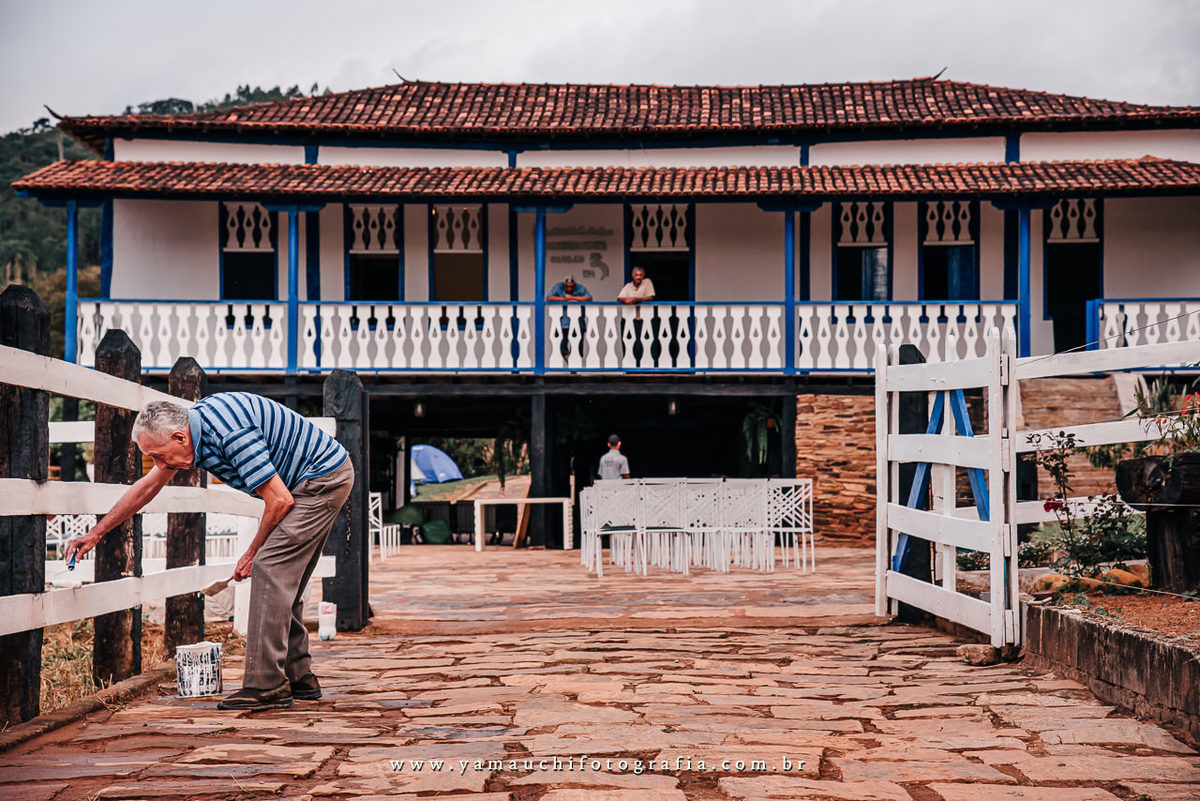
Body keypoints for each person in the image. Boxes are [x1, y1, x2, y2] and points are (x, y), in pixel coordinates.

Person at [65, 393, 354, 711]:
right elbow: (147, 487)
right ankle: (297, 676)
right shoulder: (192, 433)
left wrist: (250, 553)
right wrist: (96, 533)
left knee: (269, 567)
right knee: (285, 580)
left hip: (321, 478)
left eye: (160, 457)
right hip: (313, 477)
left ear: (179, 437)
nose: (161, 466)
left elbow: (280, 500)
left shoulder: (230, 434)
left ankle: (266, 685)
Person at [547, 274, 592, 356]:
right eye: (567, 286)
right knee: (562, 346)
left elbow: (589, 298)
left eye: (572, 287)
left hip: (578, 322)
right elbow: (549, 298)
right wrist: (565, 299)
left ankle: (575, 367)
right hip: (563, 321)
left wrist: (573, 298)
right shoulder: (559, 287)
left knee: (578, 347)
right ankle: (565, 364)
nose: (569, 288)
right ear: (564, 284)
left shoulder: (580, 287)